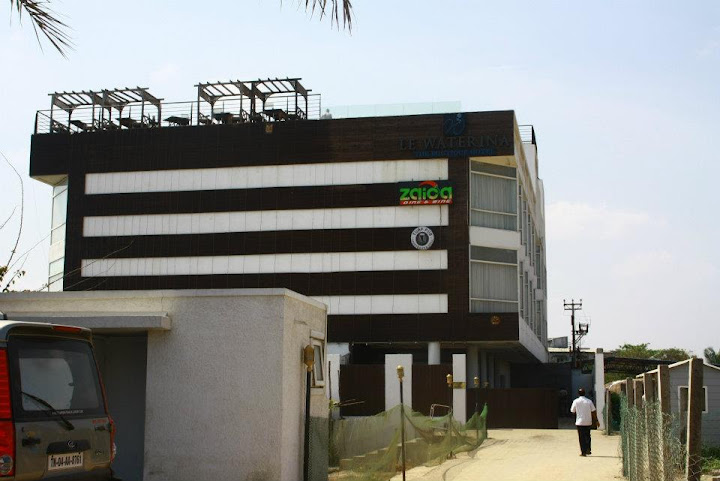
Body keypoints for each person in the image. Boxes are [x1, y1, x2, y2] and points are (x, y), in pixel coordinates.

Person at [570, 388, 598, 456]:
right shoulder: (589, 401)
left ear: (578, 394)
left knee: (581, 437)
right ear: (585, 393)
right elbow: (593, 411)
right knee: (587, 436)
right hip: (588, 422)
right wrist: (596, 420)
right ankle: (588, 449)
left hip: (579, 422)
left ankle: (583, 452)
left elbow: (572, 411)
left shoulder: (576, 401)